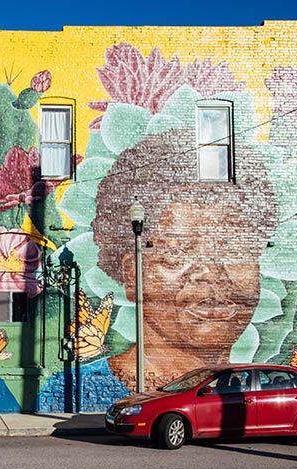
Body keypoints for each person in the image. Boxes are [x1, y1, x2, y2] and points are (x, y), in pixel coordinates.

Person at [92, 128, 278, 390]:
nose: (211, 274)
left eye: (234, 251)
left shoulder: (257, 392)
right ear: (132, 276)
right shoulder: (87, 384)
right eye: (177, 253)